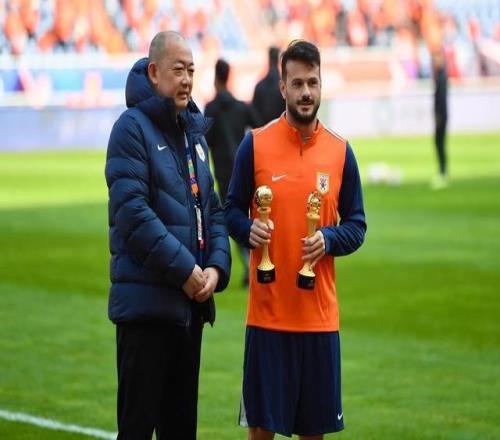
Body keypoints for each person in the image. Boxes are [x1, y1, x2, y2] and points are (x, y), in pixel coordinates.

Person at [225, 40, 367, 439]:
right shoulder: (255, 145)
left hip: (319, 320)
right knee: (261, 432)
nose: (306, 92)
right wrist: (246, 229)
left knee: (313, 433)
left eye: (313, 83)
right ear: (283, 87)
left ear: (320, 85)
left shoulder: (341, 152)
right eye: (298, 83)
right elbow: (230, 210)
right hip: (267, 319)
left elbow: (357, 225)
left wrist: (329, 238)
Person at [104, 31, 231, 440]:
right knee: (137, 430)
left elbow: (212, 208)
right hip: (146, 312)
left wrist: (215, 268)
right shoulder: (130, 129)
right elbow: (132, 214)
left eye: (191, 70)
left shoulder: (193, 132)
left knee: (181, 432)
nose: (187, 79)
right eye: (178, 70)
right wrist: (185, 271)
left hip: (188, 311)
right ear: (154, 72)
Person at [204, 58, 260, 286]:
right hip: (245, 168)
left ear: (215, 78)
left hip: (223, 171)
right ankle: (254, 263)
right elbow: (260, 127)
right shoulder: (240, 106)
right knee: (247, 216)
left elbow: (204, 142)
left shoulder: (211, 109)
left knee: (233, 218)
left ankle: (249, 265)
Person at [252, 46, 286, 124]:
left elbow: (254, 115)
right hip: (279, 128)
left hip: (263, 128)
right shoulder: (284, 87)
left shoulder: (259, 86)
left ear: (269, 59)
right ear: (278, 59)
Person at [431, 47, 448, 189]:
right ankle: (442, 171)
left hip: (441, 116)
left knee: (440, 144)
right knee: (439, 144)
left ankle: (443, 172)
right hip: (441, 115)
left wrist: (439, 116)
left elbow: (441, 99)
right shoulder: (440, 76)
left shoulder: (441, 77)